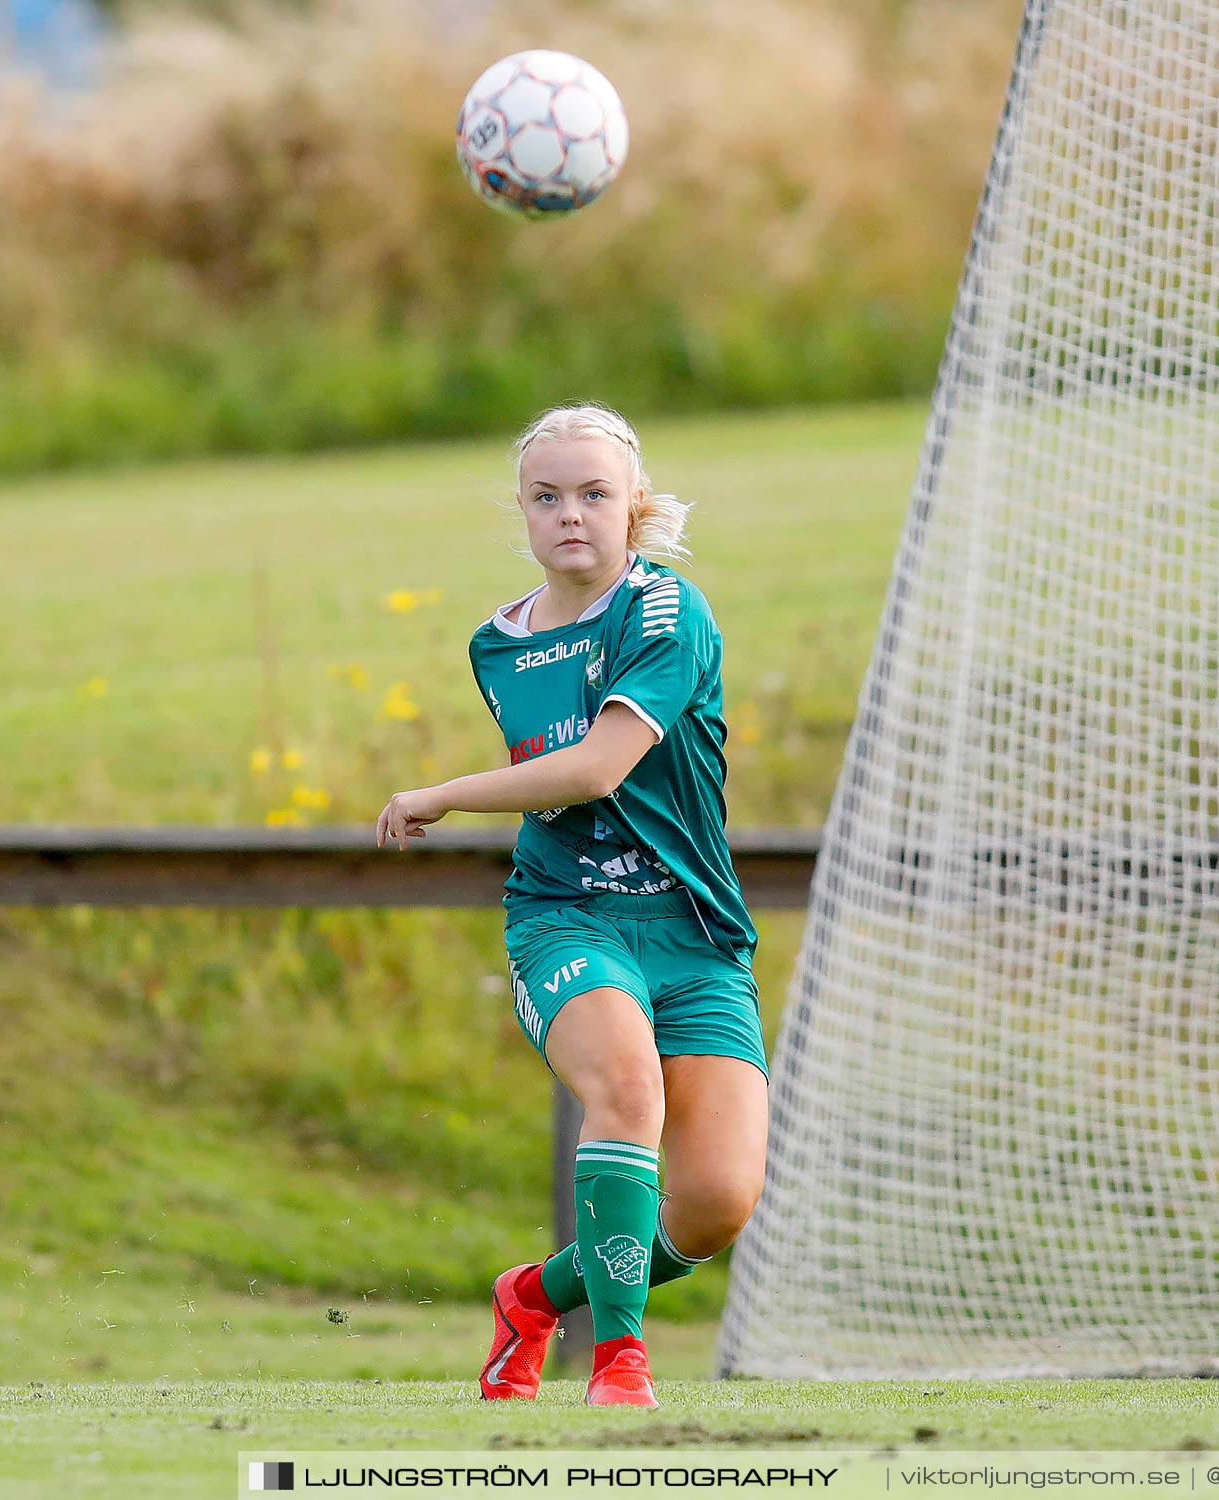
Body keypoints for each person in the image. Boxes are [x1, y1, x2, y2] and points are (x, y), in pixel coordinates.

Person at [375, 402, 769, 1409]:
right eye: (546, 496)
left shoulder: (669, 612)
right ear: (522, 510)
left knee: (718, 1201)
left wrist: (445, 792)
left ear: (632, 506)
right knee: (626, 1090)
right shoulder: (494, 644)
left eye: (594, 494)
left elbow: (594, 770)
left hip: (692, 930)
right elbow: (563, 784)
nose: (570, 515)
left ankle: (531, 1295)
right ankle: (619, 1366)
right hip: (566, 915)